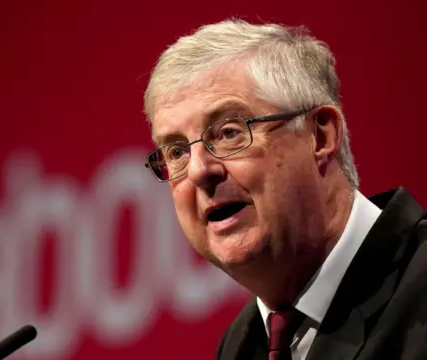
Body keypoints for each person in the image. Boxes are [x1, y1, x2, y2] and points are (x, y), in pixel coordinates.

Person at [142, 19, 427, 360]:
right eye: (177, 152)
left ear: (320, 136)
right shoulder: (240, 346)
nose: (200, 170)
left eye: (229, 133)